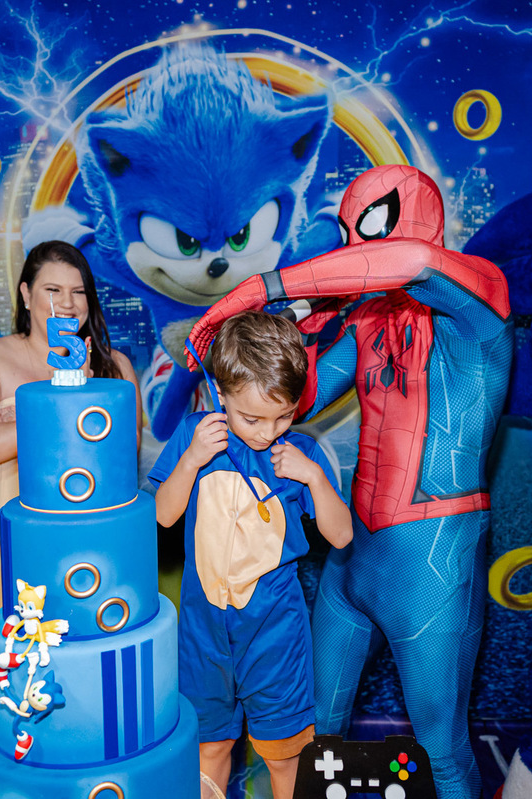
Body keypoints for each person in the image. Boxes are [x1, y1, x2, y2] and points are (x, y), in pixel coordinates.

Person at [187, 165, 513, 799]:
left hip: (433, 559)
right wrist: (304, 323)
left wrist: (264, 287)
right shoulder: (371, 322)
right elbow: (298, 398)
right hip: (354, 552)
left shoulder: (482, 300)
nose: (358, 249)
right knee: (313, 731)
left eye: (369, 229)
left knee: (442, 749)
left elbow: (413, 261)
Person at [148, 310, 352, 799]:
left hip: (275, 635)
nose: (267, 432)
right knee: (210, 748)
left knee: (283, 755)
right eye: (252, 418)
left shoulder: (300, 453)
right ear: (220, 393)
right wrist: (192, 460)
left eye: (284, 416)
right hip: (203, 634)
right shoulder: (195, 435)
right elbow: (162, 516)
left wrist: (314, 478)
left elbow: (343, 535)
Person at [0, 239, 141, 712]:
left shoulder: (115, 367)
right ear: (25, 294)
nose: (68, 304)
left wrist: (84, 388)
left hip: (93, 545)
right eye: (53, 290)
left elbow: (126, 456)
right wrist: (62, 405)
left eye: (79, 292)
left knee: (89, 687)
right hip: (9, 544)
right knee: (16, 694)